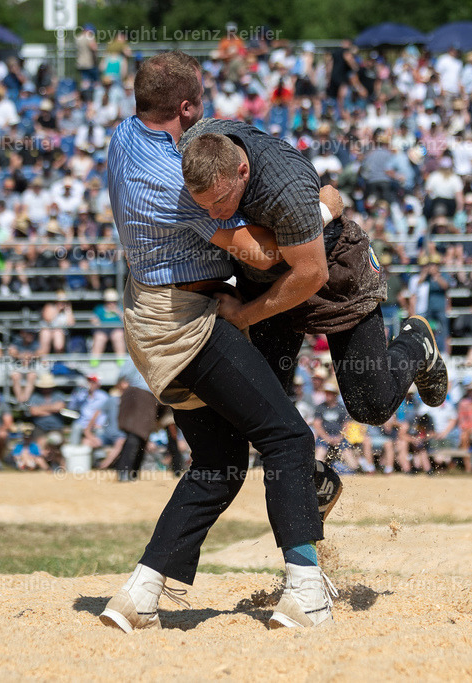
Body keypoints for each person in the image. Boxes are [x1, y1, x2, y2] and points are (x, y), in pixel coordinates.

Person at [100, 51, 334, 633]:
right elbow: (260, 253)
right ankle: (305, 589)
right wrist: (321, 209)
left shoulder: (123, 139)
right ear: (186, 106)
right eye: (200, 104)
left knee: (219, 464)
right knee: (286, 437)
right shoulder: (178, 181)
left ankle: (139, 593)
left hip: (149, 320)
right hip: (187, 325)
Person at [178, 118, 448, 422]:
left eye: (219, 201)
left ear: (243, 171)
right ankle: (309, 470)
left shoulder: (284, 188)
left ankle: (416, 343)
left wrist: (244, 316)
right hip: (266, 277)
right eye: (203, 206)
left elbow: (310, 274)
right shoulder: (194, 148)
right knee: (263, 408)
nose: (212, 215)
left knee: (371, 405)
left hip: (331, 267)